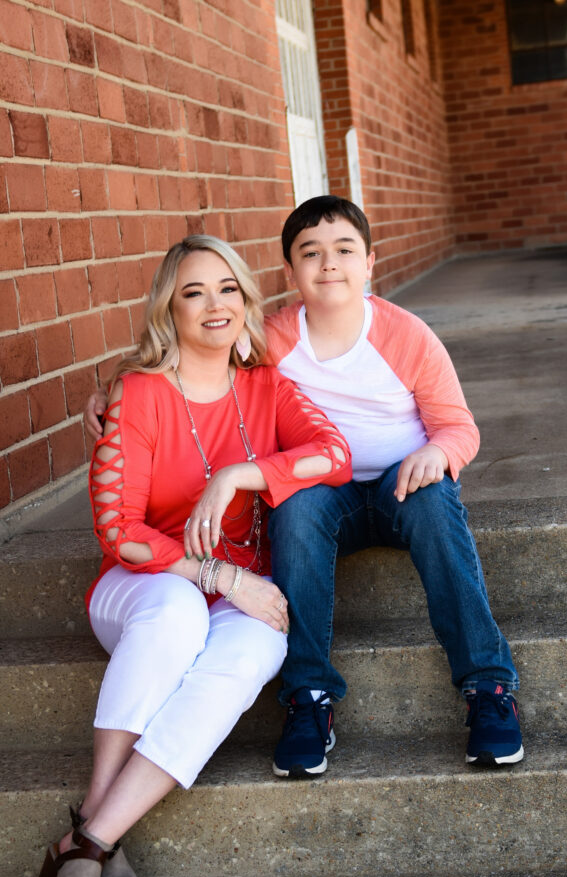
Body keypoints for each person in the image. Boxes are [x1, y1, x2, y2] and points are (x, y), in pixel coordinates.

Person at [84, 197, 523, 783]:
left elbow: (459, 425)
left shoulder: (407, 335)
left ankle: (488, 684)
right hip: (327, 498)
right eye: (310, 254)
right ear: (289, 274)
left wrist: (438, 452)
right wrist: (112, 386)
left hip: (402, 488)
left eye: (344, 251)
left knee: (435, 499)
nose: (329, 265)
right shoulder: (272, 336)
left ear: (370, 262)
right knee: (296, 502)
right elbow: (194, 344)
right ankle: (309, 696)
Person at [33, 234, 351, 877]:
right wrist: (222, 574)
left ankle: (88, 841)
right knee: (179, 613)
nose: (215, 305)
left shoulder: (268, 389)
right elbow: (119, 532)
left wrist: (239, 474)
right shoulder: (139, 393)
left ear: (246, 300)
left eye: (228, 289)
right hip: (144, 586)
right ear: (168, 311)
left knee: (256, 651)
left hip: (238, 596)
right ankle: (94, 823)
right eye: (193, 292)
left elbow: (334, 454)